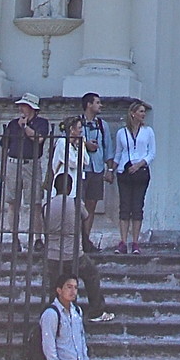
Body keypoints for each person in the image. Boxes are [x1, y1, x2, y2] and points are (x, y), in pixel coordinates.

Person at [44, 173, 114, 323]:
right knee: (92, 275)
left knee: (55, 286)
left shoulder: (47, 205)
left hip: (53, 255)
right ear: (69, 188)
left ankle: (54, 315)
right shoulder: (75, 203)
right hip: (73, 254)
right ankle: (96, 310)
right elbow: (86, 216)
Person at [0, 92, 49, 251]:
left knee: (35, 203)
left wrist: (25, 127)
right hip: (14, 163)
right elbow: (5, 146)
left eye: (24, 106)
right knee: (13, 202)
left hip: (31, 164)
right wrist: (3, 167)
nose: (21, 108)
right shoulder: (12, 124)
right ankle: (14, 237)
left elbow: (39, 138)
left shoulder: (41, 123)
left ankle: (37, 238)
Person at [40, 273, 92, 360]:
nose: (73, 291)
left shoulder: (77, 311)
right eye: (69, 287)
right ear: (59, 290)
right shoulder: (51, 314)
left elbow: (81, 338)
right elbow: (49, 347)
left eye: (75, 287)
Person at [113, 100, 154, 254]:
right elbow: (118, 152)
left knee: (137, 207)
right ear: (133, 113)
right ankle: (123, 241)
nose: (143, 115)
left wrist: (140, 164)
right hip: (124, 171)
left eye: (144, 112)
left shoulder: (148, 131)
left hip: (141, 171)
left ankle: (135, 242)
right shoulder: (121, 133)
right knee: (124, 207)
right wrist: (112, 168)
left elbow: (152, 152)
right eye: (141, 111)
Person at [80, 93, 114, 254]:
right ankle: (77, 239)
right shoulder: (77, 123)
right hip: (80, 169)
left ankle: (86, 239)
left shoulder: (102, 125)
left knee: (91, 205)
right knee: (77, 205)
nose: (100, 106)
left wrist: (110, 169)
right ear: (88, 104)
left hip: (97, 168)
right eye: (97, 103)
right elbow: (68, 142)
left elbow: (108, 148)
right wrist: (84, 144)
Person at [48, 116, 89, 198]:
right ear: (72, 129)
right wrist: (80, 148)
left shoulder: (75, 144)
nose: (81, 130)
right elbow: (73, 163)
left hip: (75, 183)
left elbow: (87, 161)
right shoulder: (62, 142)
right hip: (64, 183)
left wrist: (81, 146)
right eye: (79, 127)